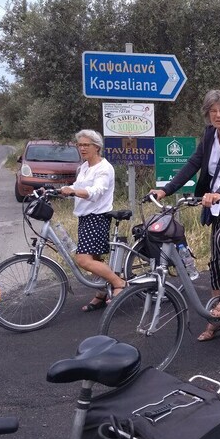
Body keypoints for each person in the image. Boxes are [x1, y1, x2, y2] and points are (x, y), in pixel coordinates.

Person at [152, 90, 220, 342]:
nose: (218, 115)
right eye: (213, 111)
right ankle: (216, 317)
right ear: (208, 114)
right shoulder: (210, 134)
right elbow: (193, 164)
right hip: (216, 204)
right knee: (214, 260)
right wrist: (166, 189)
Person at [59, 129, 125, 312]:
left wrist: (72, 191)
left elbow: (96, 192)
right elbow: (79, 187)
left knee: (84, 259)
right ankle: (102, 293)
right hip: (84, 217)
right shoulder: (85, 167)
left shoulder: (104, 168)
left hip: (98, 217)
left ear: (97, 147)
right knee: (95, 259)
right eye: (79, 145)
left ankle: (119, 283)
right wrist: (62, 189)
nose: (82, 148)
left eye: (86, 145)